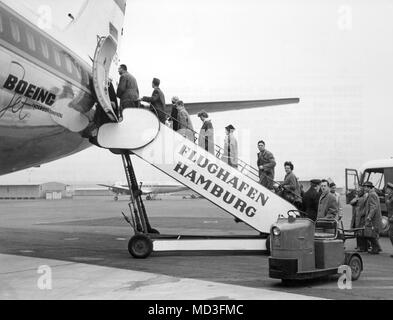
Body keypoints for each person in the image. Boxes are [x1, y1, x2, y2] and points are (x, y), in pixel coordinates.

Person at [363, 181, 383, 254]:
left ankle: (376, 248)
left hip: (373, 219)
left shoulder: (372, 194)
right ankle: (377, 248)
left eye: (365, 187)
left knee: (371, 234)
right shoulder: (372, 194)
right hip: (374, 218)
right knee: (372, 234)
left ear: (369, 187)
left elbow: (373, 207)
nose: (364, 188)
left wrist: (369, 216)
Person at [350, 187, 368, 252]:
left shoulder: (364, 198)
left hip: (361, 218)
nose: (358, 192)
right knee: (358, 233)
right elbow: (351, 202)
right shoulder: (358, 198)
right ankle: (360, 246)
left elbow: (365, 208)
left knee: (361, 233)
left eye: (359, 191)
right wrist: (356, 198)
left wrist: (362, 214)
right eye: (357, 191)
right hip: (357, 217)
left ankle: (362, 247)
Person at [385, 182, 393, 258]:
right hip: (390, 219)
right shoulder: (390, 197)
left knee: (391, 235)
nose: (386, 190)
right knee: (391, 235)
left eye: (388, 189)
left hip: (392, 219)